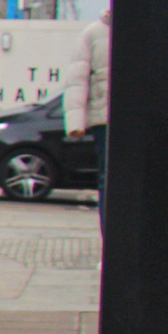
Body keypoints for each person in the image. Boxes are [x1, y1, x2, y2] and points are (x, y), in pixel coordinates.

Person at [67, 11, 110, 214]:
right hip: (104, 118)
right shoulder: (93, 34)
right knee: (107, 178)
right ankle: (109, 237)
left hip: (108, 118)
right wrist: (76, 122)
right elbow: (77, 80)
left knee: (108, 178)